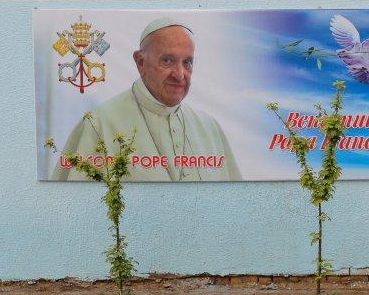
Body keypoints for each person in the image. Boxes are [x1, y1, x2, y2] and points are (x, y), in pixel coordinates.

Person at [53, 18, 241, 182]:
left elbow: (232, 202)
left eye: (187, 62)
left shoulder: (209, 128)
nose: (180, 75)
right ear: (140, 62)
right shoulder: (99, 124)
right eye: (167, 61)